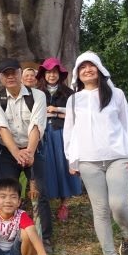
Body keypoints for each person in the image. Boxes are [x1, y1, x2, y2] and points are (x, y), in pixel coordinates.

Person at [64, 51, 128, 255]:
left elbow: (127, 124)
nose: (87, 70)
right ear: (77, 73)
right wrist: (71, 158)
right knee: (100, 209)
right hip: (88, 161)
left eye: (91, 65)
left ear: (99, 68)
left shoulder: (116, 95)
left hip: (118, 156)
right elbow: (70, 132)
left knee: (118, 204)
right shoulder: (74, 99)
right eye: (82, 67)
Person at [0, 58, 53, 254]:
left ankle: (45, 238)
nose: (10, 77)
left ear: (20, 73)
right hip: (8, 151)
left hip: (33, 148)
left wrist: (30, 152)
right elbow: (1, 126)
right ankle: (10, 237)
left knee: (39, 192)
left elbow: (36, 125)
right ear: (0, 77)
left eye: (13, 72)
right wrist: (17, 153)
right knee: (7, 194)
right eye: (5, 74)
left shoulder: (37, 95)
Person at [36, 58, 82, 222]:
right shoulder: (37, 92)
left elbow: (76, 112)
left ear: (59, 74)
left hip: (62, 132)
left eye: (55, 72)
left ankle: (65, 203)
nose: (52, 75)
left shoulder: (69, 93)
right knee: (46, 166)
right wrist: (56, 113)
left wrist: (56, 110)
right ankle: (45, 203)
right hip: (43, 133)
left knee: (64, 165)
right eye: (48, 72)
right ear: (44, 74)